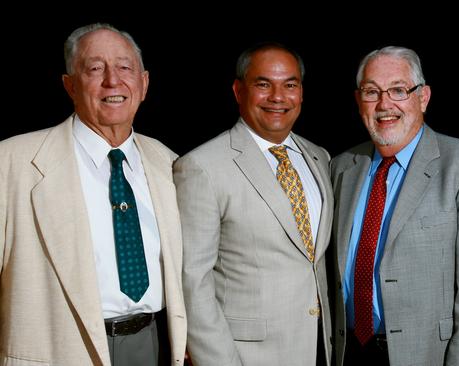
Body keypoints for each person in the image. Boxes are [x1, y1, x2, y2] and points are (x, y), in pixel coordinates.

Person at [0, 24, 186, 365]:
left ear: (143, 84)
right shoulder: (11, 162)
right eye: (95, 68)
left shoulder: (172, 164)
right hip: (57, 350)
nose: (112, 81)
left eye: (124, 67)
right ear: (70, 85)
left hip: (155, 345)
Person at [330, 45, 459, 366]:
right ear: (359, 100)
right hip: (349, 352)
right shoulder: (342, 167)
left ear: (423, 97)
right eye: (372, 92)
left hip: (432, 355)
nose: (384, 104)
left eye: (399, 90)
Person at [174, 42, 334, 366]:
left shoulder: (320, 157)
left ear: (301, 93)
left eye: (290, 85)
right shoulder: (202, 167)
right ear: (238, 90)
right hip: (247, 356)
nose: (278, 96)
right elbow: (193, 282)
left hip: (319, 347)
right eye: (263, 84)